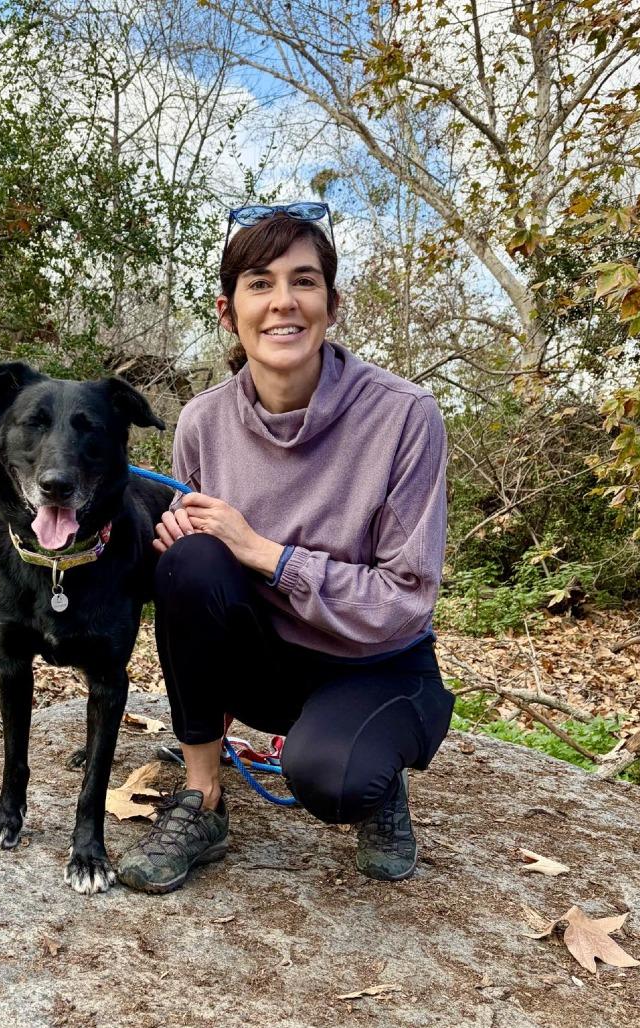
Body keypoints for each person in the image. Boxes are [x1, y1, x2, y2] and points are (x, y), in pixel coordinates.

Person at [116, 202, 455, 895]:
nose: (283, 303)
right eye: (260, 283)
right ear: (227, 310)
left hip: (376, 664)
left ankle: (375, 773)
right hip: (269, 665)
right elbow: (201, 584)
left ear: (332, 303)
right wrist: (181, 540)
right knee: (187, 561)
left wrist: (267, 552)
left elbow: (406, 600)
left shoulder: (405, 415)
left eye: (303, 281)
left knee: (332, 781)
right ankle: (204, 800)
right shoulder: (203, 420)